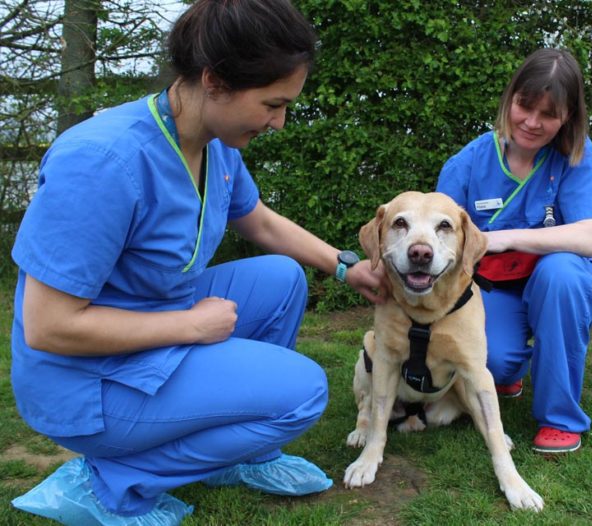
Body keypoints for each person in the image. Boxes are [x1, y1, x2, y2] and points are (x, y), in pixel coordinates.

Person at [9, 1, 385, 524]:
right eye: (273, 104)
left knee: (281, 278)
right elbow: (49, 328)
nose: (279, 123)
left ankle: (239, 455)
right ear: (215, 81)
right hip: (84, 381)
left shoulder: (212, 142)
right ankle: (109, 482)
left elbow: (258, 221)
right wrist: (190, 326)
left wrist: (347, 267)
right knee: (303, 394)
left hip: (149, 319)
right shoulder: (101, 162)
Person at [436, 48, 592, 455]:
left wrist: (505, 237)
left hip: (566, 286)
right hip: (496, 288)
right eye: (524, 106)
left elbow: (588, 238)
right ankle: (512, 366)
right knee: (491, 362)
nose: (531, 123)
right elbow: (437, 237)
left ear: (568, 115)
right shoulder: (468, 162)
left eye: (548, 114)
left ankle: (560, 418)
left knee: (559, 275)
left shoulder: (577, 156)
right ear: (510, 98)